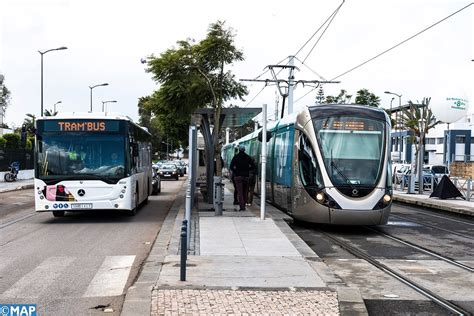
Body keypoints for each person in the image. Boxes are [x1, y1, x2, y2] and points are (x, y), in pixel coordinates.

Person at [229, 144, 255, 211]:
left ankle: (242, 207)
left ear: (239, 150)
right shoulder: (248, 157)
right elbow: (253, 166)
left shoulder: (236, 157)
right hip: (246, 177)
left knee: (239, 192)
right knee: (245, 192)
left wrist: (236, 171)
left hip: (238, 177)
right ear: (244, 150)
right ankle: (244, 205)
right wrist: (248, 169)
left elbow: (231, 166)